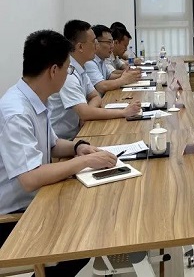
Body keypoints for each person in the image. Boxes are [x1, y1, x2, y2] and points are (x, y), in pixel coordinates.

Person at [0, 30, 118, 276]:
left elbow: (53, 145)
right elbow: (30, 178)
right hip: (14, 216)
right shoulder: (17, 112)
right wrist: (85, 161)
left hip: (37, 200)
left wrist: (78, 147)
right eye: (67, 68)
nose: (68, 73)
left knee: (94, 211)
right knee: (86, 235)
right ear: (54, 70)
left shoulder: (34, 98)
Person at [48, 20, 141, 140]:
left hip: (80, 130)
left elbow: (95, 96)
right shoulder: (68, 73)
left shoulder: (80, 68)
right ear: (80, 47)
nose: (96, 46)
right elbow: (86, 110)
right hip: (64, 140)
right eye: (93, 42)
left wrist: (87, 112)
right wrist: (123, 112)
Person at [85, 24, 141, 96]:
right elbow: (101, 86)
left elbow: (109, 76)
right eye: (109, 42)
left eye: (112, 42)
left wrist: (129, 75)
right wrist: (123, 79)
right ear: (96, 43)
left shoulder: (101, 59)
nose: (112, 46)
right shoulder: (89, 61)